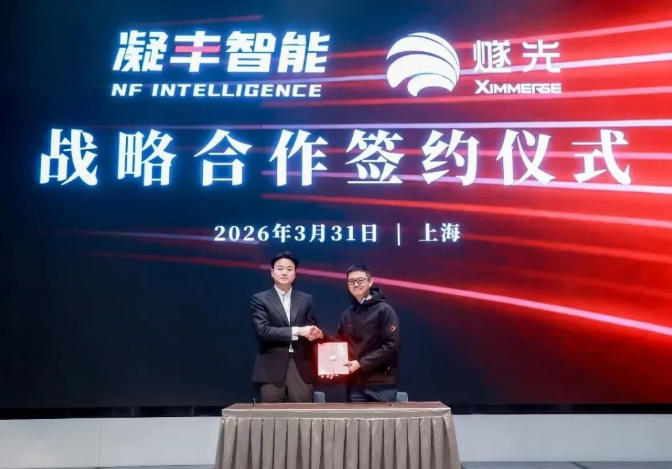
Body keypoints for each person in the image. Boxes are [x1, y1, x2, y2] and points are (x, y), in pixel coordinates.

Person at [251, 251, 323, 402]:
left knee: (302, 413)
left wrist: (315, 333)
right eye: (280, 268)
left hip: (300, 365)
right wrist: (298, 331)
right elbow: (263, 330)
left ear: (294, 274)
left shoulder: (306, 299)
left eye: (289, 269)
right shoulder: (260, 299)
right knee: (271, 414)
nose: (284, 272)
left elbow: (312, 327)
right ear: (272, 272)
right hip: (271, 366)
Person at [329, 264, 400, 402]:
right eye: (351, 281)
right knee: (356, 418)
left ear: (370, 282)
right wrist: (331, 366)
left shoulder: (384, 310)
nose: (356, 284)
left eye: (360, 280)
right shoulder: (347, 314)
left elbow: (391, 346)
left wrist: (361, 364)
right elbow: (338, 342)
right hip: (355, 385)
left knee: (382, 418)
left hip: (381, 385)